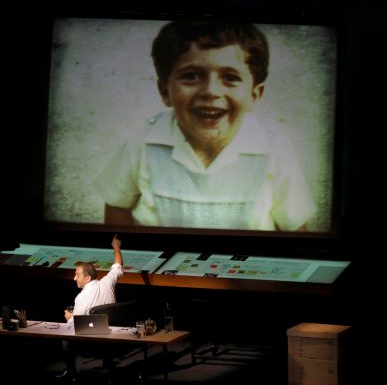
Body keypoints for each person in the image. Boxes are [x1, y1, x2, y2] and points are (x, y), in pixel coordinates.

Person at [93, 21, 316, 231]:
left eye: (230, 77)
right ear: (165, 92)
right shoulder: (142, 142)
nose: (211, 91)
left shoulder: (274, 150)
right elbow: (117, 205)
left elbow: (295, 227)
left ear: (254, 95)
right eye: (191, 76)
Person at [59, 235, 124, 382]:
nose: (74, 278)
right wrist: (116, 248)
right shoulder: (108, 282)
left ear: (87, 278)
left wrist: (70, 317)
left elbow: (75, 326)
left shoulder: (81, 297)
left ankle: (72, 372)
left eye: (77, 275)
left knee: (64, 338)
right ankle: (108, 366)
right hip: (114, 338)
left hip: (93, 344)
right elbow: (118, 266)